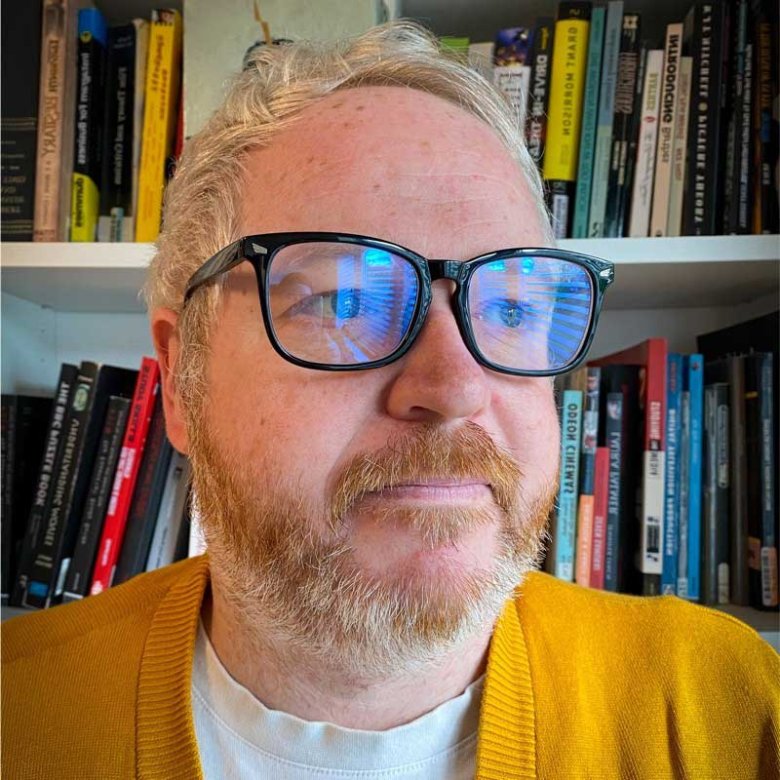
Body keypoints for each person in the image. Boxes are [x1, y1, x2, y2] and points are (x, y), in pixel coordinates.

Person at [2, 22, 777, 779]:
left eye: (510, 310)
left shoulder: (725, 707)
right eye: (343, 304)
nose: (455, 388)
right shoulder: (23, 708)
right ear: (182, 380)